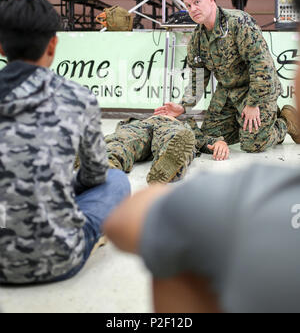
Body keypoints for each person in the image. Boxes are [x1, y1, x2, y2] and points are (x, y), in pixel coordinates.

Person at [104, 49, 300, 313]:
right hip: (139, 128)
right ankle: (109, 161)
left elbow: (200, 137)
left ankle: (164, 163)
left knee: (176, 139)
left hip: (174, 128)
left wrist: (213, 141)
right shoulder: (135, 122)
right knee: (121, 143)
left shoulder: (182, 124)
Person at [0, 0, 130, 285]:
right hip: (58, 258)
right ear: (53, 44)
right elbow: (95, 174)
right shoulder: (77, 97)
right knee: (116, 179)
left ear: (1, 46)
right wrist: (67, 184)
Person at [154, 0, 300, 152]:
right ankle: (250, 124)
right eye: (188, 6)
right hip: (228, 92)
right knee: (209, 138)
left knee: (253, 143)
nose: (192, 9)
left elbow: (261, 65)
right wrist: (183, 106)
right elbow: (198, 79)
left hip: (256, 89)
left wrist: (253, 104)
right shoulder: (196, 39)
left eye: (196, 2)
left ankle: (284, 123)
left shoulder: (238, 22)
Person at [105, 114, 230, 185]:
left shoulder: (185, 121)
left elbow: (202, 140)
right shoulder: (141, 118)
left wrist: (219, 142)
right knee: (124, 139)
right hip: (142, 125)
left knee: (177, 137)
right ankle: (107, 163)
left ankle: (165, 167)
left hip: (172, 125)